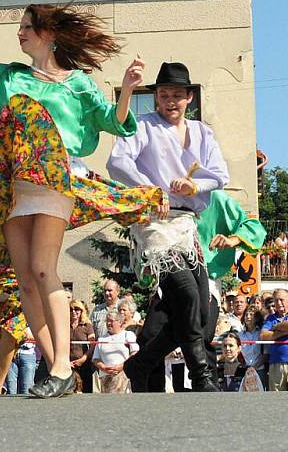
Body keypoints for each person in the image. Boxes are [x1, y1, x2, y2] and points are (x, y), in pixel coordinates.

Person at [0, 0, 161, 398]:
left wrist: (128, 88)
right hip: (11, 184)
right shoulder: (10, 75)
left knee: (43, 270)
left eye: (27, 27)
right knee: (24, 280)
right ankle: (55, 368)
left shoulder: (77, 83)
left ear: (48, 34)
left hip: (55, 177)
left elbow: (115, 124)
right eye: (20, 27)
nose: (19, 33)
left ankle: (61, 365)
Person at [106, 61, 229, 394]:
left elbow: (220, 174)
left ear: (189, 97)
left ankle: (140, 363)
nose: (170, 101)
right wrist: (152, 189)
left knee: (200, 310)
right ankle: (203, 377)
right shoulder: (143, 125)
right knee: (187, 295)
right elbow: (117, 162)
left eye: (177, 94)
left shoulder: (203, 132)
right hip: (155, 223)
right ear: (156, 98)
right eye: (164, 95)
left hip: (187, 225)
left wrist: (195, 187)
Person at [260, 289, 288, 391]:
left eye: (281, 299)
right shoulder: (270, 318)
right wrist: (285, 332)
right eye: (276, 300)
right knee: (276, 398)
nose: (279, 303)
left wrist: (275, 327)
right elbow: (263, 336)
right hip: (276, 362)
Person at [92, 311, 138, 393]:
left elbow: (135, 353)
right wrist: (103, 367)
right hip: (106, 377)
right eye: (107, 321)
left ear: (120, 322)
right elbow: (95, 359)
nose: (109, 323)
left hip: (124, 376)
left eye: (111, 321)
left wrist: (122, 366)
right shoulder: (101, 339)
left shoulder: (128, 335)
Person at [69, 300, 95, 394]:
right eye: (71, 309)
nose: (73, 312)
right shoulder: (64, 326)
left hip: (84, 365)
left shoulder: (87, 325)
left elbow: (92, 345)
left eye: (76, 309)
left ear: (81, 311)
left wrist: (83, 359)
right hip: (68, 365)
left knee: (86, 392)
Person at [6, 327, 38, 395]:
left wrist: (24, 335)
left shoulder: (34, 319)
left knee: (26, 388)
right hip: (10, 354)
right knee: (10, 388)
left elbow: (41, 336)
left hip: (28, 354)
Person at [239, 304, 266, 383]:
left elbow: (265, 354)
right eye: (246, 314)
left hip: (260, 370)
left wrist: (254, 368)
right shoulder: (239, 335)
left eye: (251, 314)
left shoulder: (261, 333)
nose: (248, 317)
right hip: (245, 369)